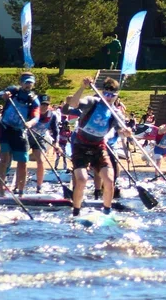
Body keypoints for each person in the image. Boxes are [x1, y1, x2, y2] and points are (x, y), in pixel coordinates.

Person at [64, 77, 133, 216]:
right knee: (82, 179)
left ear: (116, 95)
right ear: (102, 93)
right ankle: (76, 212)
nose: (109, 98)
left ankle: (107, 212)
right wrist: (82, 87)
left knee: (109, 180)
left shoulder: (116, 113)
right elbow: (73, 103)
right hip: (80, 144)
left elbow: (120, 132)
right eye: (106, 94)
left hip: (98, 146)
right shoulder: (92, 102)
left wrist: (126, 132)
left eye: (112, 95)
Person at [0, 73, 41, 196]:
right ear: (21, 83)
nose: (28, 85)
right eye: (26, 82)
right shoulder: (13, 90)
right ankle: (1, 191)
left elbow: (36, 116)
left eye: (30, 83)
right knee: (5, 159)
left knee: (23, 162)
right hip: (5, 128)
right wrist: (4, 95)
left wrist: (30, 123)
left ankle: (21, 192)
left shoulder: (33, 99)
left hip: (20, 131)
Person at [30, 95, 61, 193]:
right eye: (42, 104)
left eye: (46, 105)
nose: (44, 107)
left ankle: (39, 187)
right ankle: (18, 186)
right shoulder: (31, 112)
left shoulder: (52, 115)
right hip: (27, 137)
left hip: (40, 138)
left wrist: (56, 143)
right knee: (22, 160)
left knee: (41, 161)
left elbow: (56, 131)